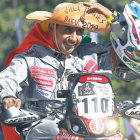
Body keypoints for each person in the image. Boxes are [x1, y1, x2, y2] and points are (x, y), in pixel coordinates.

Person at [0, 1, 123, 140]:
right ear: (52, 28)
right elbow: (6, 79)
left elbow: (129, 49)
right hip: (45, 131)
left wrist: (114, 17)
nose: (74, 38)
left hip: (90, 129)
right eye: (68, 30)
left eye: (80, 31)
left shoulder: (94, 54)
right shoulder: (31, 57)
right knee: (51, 129)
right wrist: (7, 96)